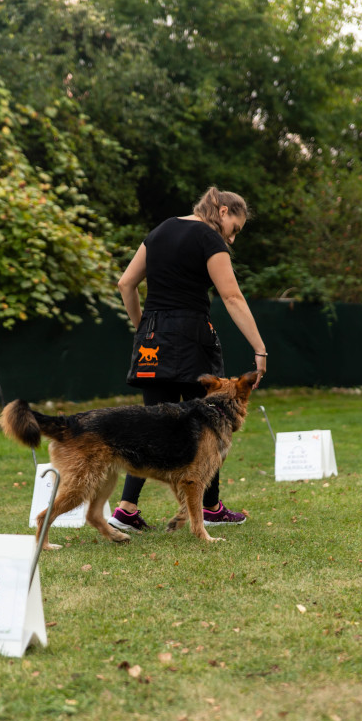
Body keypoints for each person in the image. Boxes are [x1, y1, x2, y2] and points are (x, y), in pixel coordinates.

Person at [108, 186, 267, 533]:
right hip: (192, 339)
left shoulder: (160, 230)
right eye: (234, 229)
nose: (232, 239)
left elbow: (125, 284)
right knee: (213, 419)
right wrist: (259, 348)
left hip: (152, 341)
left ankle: (126, 510)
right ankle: (210, 508)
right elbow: (231, 296)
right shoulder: (209, 238)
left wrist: (143, 328)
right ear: (222, 211)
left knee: (151, 425)